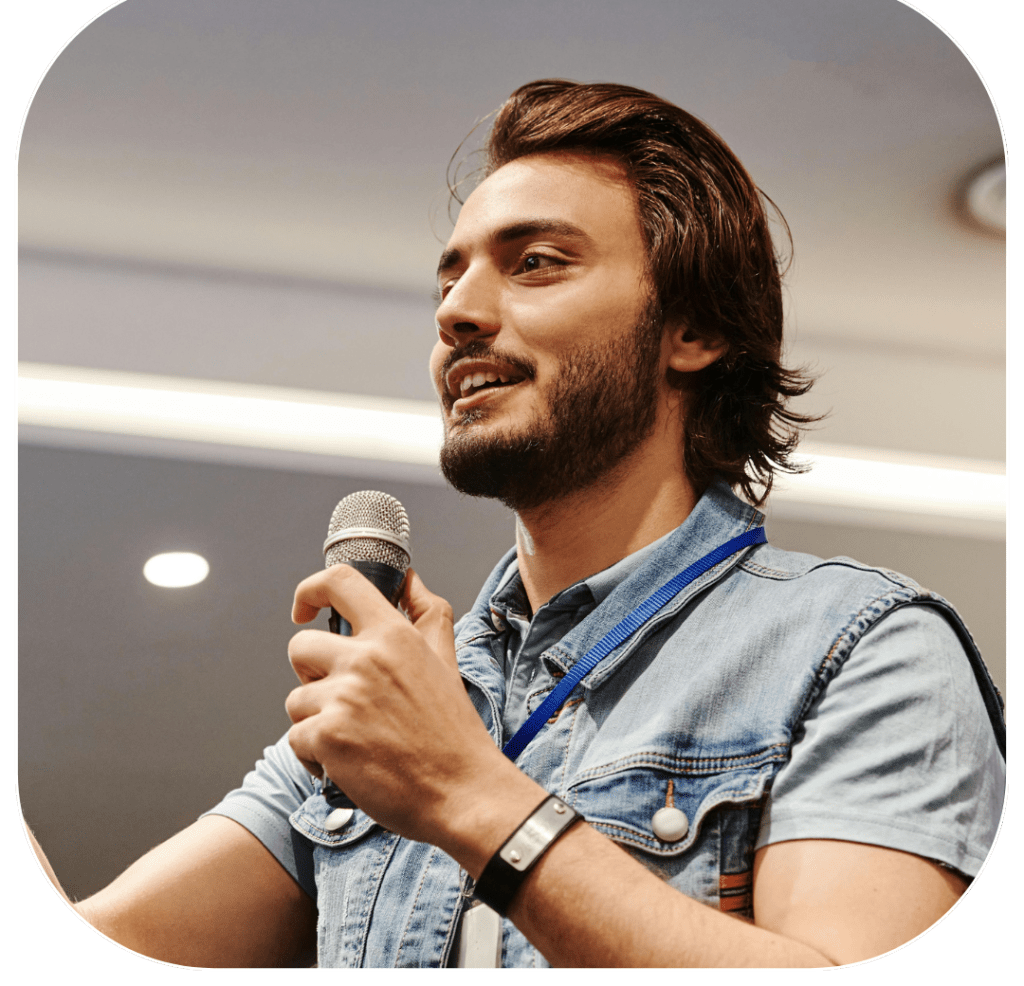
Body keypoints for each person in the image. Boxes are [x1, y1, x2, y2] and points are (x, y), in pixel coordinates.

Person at [28, 80, 1005, 969]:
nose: (457, 309)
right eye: (446, 279)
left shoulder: (863, 651)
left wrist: (470, 794)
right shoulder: (403, 707)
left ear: (694, 331)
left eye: (534, 263)